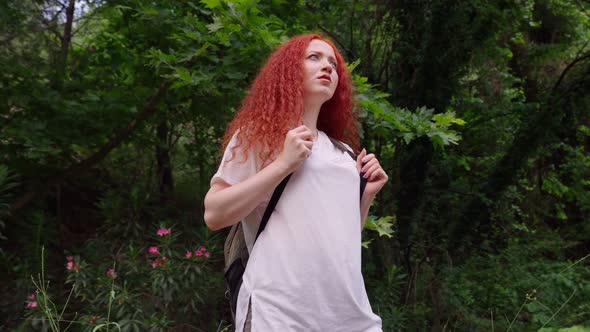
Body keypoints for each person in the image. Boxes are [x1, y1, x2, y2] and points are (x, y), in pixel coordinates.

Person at [204, 33, 388, 332]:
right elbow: (214, 214)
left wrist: (365, 196)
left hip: (350, 315)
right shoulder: (259, 137)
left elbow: (342, 241)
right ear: (289, 70)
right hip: (278, 313)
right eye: (313, 57)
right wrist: (283, 165)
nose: (327, 66)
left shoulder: (343, 154)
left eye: (333, 63)